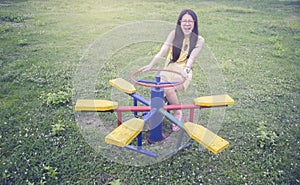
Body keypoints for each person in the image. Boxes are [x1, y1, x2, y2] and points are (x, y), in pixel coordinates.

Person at [140, 9, 204, 131]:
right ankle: (164, 106)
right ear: (180, 22)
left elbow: (192, 58)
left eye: (190, 21)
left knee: (168, 88)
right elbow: (163, 50)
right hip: (169, 68)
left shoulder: (199, 40)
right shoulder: (174, 34)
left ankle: (177, 111)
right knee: (159, 87)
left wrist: (186, 69)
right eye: (184, 21)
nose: (187, 24)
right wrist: (150, 64)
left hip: (183, 69)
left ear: (194, 23)